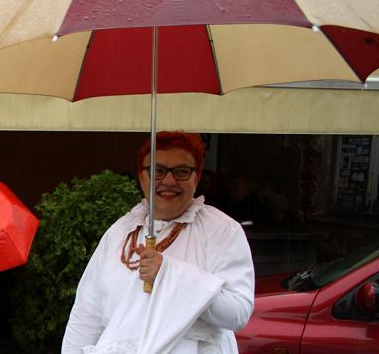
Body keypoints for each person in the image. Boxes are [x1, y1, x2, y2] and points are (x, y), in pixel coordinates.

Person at [60, 131, 255, 354]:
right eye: (157, 171)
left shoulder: (221, 231)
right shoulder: (119, 233)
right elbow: (87, 315)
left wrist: (169, 275)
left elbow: (237, 313)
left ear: (197, 176)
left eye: (181, 171)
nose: (169, 181)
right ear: (141, 176)